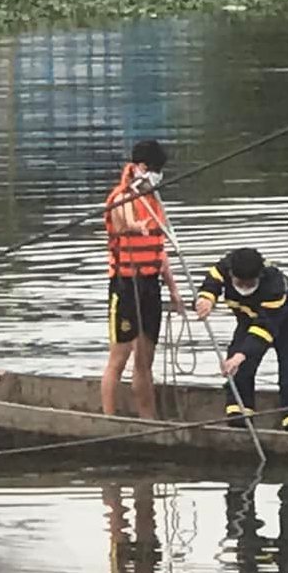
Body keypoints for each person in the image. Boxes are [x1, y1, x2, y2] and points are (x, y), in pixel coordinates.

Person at [100, 139, 182, 419]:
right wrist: (135, 226)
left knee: (145, 360)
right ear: (141, 168)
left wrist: (174, 291)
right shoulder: (121, 196)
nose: (159, 175)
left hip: (150, 286)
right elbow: (123, 216)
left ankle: (149, 419)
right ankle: (108, 419)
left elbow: (160, 251)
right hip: (125, 285)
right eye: (155, 169)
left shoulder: (153, 200)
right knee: (119, 358)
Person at [195, 247, 288, 432]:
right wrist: (207, 299)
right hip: (248, 319)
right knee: (237, 372)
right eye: (240, 283)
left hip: (286, 322)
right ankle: (239, 423)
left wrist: (242, 354)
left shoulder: (274, 285)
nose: (245, 287)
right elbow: (212, 282)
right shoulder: (225, 267)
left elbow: (264, 328)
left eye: (250, 284)